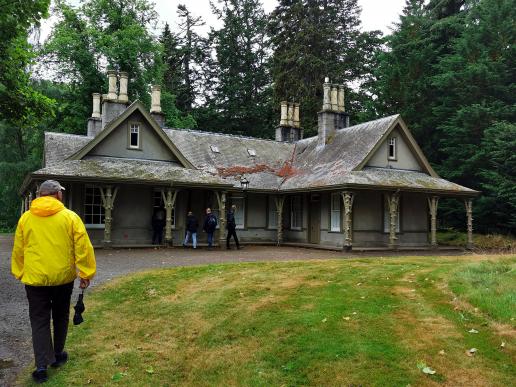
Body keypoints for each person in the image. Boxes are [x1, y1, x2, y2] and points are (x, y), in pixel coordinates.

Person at [11, 180, 96, 384]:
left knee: (39, 320)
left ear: (40, 195)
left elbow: (19, 250)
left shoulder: (26, 219)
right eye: (61, 193)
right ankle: (57, 355)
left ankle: (41, 366)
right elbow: (83, 248)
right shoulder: (70, 217)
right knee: (60, 316)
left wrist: (20, 272)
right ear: (57, 195)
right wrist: (86, 273)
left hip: (35, 280)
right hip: (62, 278)